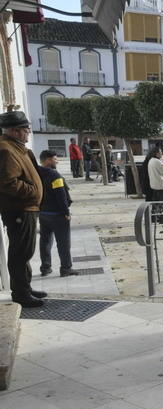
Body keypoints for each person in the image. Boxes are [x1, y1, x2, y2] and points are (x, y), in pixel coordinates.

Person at [0, 111, 46, 307]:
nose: (29, 132)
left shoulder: (18, 148)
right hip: (19, 210)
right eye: (26, 129)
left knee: (25, 251)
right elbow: (7, 183)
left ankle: (25, 287)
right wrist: (32, 191)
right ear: (15, 131)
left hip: (26, 208)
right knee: (20, 252)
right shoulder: (6, 150)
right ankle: (20, 293)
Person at [37, 150, 78, 278]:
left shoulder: (36, 173)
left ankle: (45, 267)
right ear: (48, 160)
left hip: (43, 213)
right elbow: (61, 195)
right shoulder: (54, 175)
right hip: (57, 215)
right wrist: (66, 212)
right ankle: (66, 268)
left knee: (45, 241)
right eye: (55, 159)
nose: (57, 161)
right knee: (63, 243)